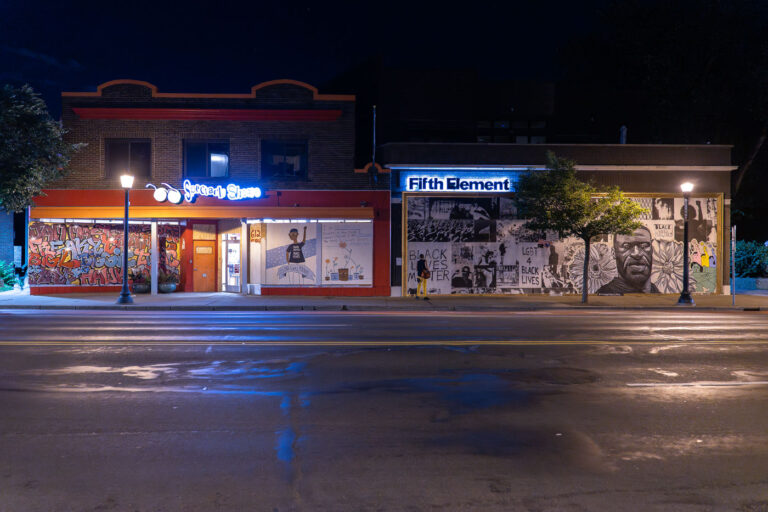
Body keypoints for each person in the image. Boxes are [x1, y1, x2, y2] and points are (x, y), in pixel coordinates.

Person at [597, 226, 659, 294]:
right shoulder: (605, 293)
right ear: (613, 253)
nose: (636, 253)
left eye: (644, 246)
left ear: (652, 249)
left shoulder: (657, 294)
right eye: (626, 246)